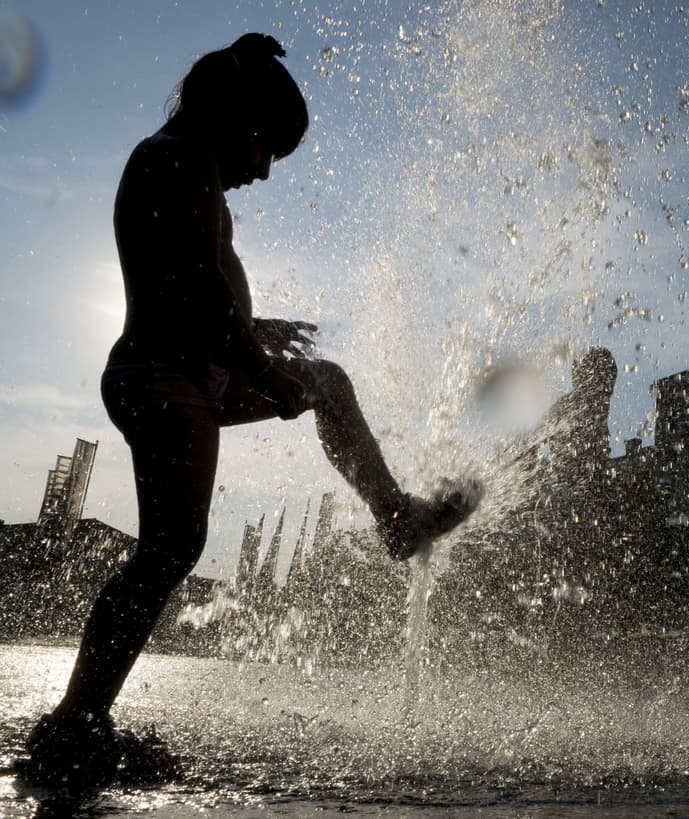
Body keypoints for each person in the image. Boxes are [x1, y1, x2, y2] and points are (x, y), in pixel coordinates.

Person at [21, 33, 481, 787]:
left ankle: (395, 515)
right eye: (267, 146)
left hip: (188, 366)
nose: (264, 170)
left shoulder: (183, 155)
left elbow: (189, 285)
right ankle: (76, 721)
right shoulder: (183, 157)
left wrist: (256, 334)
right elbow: (199, 293)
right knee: (171, 547)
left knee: (323, 386)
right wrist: (262, 366)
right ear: (234, 115)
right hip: (162, 374)